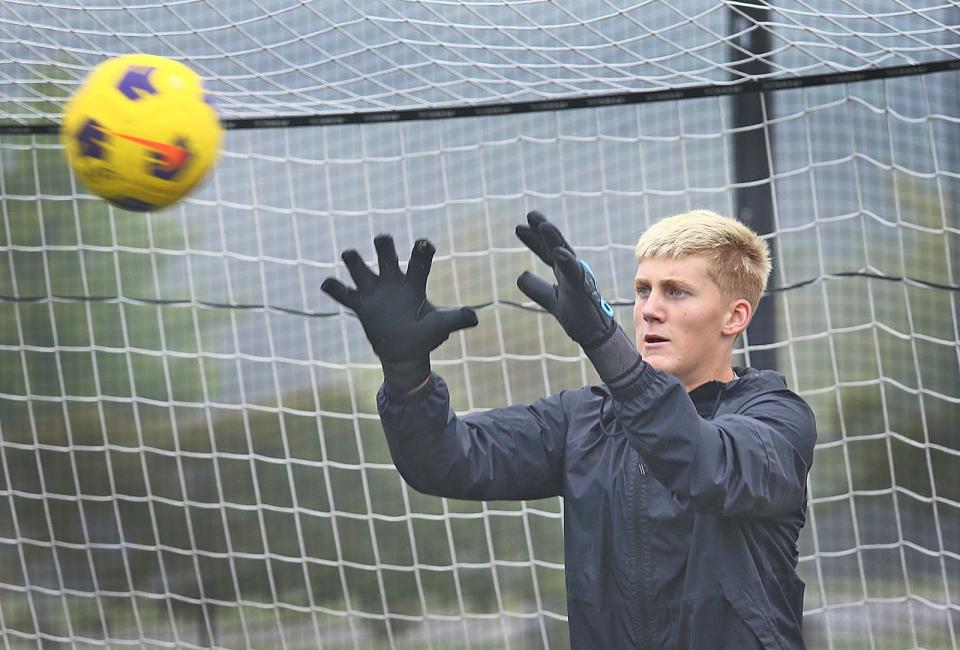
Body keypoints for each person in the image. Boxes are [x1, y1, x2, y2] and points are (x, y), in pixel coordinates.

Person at [321, 209, 816, 649]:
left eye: (677, 291)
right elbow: (448, 460)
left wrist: (603, 338)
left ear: (735, 316)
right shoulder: (583, 420)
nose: (649, 309)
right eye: (643, 290)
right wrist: (406, 374)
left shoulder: (775, 419)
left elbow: (703, 464)